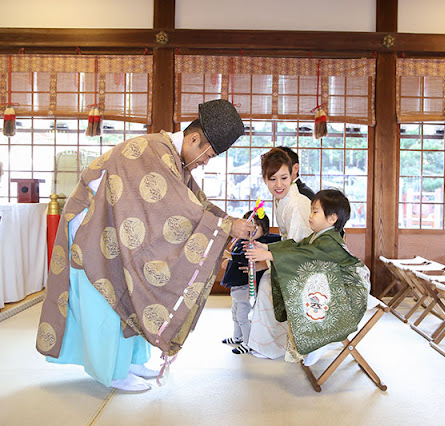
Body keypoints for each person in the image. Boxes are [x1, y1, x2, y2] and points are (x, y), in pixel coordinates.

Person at [36, 99, 255, 392]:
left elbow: (196, 203)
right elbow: (179, 208)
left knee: (138, 289)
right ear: (193, 138)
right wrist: (228, 227)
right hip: (93, 230)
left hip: (113, 229)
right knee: (108, 302)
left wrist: (229, 221)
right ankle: (112, 371)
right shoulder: (151, 151)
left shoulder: (172, 159)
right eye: (208, 155)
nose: (205, 162)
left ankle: (131, 360)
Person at [245, 189, 370, 366]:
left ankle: (319, 341)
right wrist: (267, 248)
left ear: (332, 218)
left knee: (302, 293)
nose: (310, 215)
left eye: (315, 211)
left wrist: (270, 256)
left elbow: (306, 255)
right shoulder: (318, 237)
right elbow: (296, 247)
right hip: (336, 286)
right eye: (311, 210)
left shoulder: (330, 241)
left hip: (348, 292)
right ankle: (312, 341)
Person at [247, 147, 313, 361]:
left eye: (284, 178)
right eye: (272, 179)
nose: (279, 184)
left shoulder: (297, 202)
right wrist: (266, 251)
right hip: (291, 256)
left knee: (268, 284)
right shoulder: (282, 199)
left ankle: (273, 345)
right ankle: (268, 344)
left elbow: (301, 246)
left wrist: (268, 254)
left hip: (308, 262)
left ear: (293, 174)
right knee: (266, 282)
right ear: (264, 179)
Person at [219, 211, 280, 355]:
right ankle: (237, 337)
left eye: (254, 227)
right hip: (237, 286)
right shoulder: (241, 240)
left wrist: (231, 257)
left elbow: (245, 257)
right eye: (247, 226)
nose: (249, 230)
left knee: (242, 316)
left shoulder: (258, 244)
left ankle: (248, 343)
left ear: (264, 230)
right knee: (235, 313)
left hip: (246, 286)